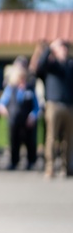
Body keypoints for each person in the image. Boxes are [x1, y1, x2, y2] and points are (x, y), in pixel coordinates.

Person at [30, 38, 73, 179]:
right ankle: (50, 167)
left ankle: (66, 168)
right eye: (61, 47)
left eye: (65, 48)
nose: (64, 50)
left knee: (68, 139)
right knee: (51, 137)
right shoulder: (51, 65)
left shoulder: (70, 65)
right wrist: (49, 48)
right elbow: (39, 64)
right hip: (53, 105)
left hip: (69, 106)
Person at [0, 64, 40, 171]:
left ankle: (31, 162)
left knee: (30, 142)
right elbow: (2, 102)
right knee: (14, 142)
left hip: (27, 121)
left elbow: (37, 106)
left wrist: (33, 116)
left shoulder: (30, 89)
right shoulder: (10, 89)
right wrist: (2, 108)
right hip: (14, 120)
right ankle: (14, 161)